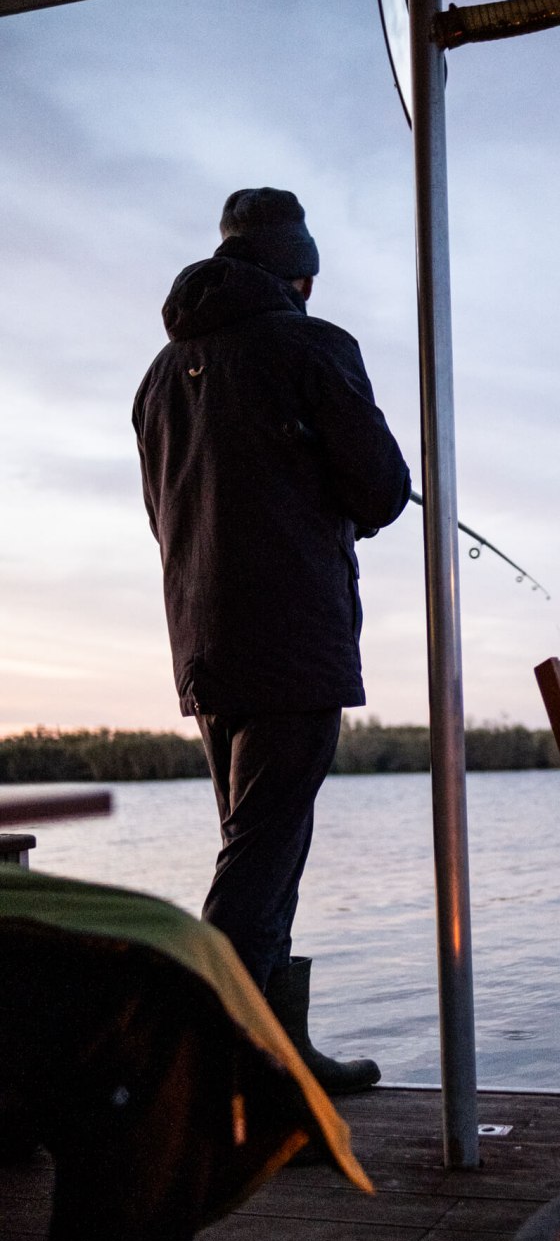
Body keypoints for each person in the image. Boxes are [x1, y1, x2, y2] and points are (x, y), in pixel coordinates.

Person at [133, 187, 410, 1094]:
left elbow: (163, 517)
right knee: (260, 858)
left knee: (258, 846)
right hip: (294, 638)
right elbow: (380, 488)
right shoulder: (313, 346)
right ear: (300, 275)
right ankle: (205, 1082)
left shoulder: (158, 378)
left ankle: (277, 1061)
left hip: (203, 643)